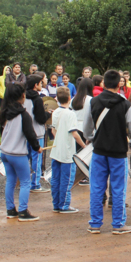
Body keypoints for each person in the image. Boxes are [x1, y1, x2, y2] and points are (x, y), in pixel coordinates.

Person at [83, 70, 131, 234]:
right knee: (118, 188)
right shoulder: (125, 104)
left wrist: (92, 138)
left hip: (99, 151)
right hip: (118, 152)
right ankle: (118, 224)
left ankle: (95, 223)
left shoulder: (93, 102)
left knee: (97, 187)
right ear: (119, 84)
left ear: (104, 83)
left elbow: (86, 129)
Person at [0, 83, 41, 222]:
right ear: (22, 95)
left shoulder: (5, 111)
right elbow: (30, 134)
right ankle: (23, 211)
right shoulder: (23, 115)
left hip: (4, 152)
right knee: (25, 182)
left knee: (11, 180)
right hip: (17, 153)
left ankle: (10, 209)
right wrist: (37, 148)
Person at [50, 86, 83, 214]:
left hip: (56, 150)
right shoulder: (70, 114)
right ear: (70, 98)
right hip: (67, 152)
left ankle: (56, 204)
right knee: (67, 179)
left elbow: (53, 130)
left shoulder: (55, 112)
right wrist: (84, 147)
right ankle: (64, 205)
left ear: (57, 99)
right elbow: (74, 133)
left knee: (56, 179)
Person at [24, 74, 50, 193]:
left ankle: (25, 181)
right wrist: (49, 114)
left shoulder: (23, 97)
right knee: (36, 159)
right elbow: (40, 118)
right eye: (40, 83)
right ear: (36, 85)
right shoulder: (37, 99)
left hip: (25, 132)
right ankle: (35, 184)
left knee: (26, 157)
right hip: (37, 132)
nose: (42, 84)